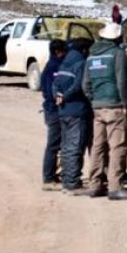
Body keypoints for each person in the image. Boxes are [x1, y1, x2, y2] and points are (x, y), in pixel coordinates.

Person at [83, 23, 127, 200]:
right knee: (118, 146)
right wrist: (124, 103)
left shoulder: (91, 56)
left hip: (97, 107)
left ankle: (94, 184)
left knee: (98, 146)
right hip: (115, 106)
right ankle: (115, 186)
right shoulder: (117, 54)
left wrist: (94, 100)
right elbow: (122, 80)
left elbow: (86, 84)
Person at [53, 38, 93, 194]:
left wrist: (58, 96)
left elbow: (55, 84)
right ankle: (73, 183)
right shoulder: (82, 63)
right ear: (84, 50)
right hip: (78, 111)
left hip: (63, 111)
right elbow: (79, 86)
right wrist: (66, 96)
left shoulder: (64, 63)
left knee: (66, 147)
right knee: (76, 147)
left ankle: (66, 180)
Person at [40, 39, 68, 191]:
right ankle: (49, 178)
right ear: (58, 52)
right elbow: (51, 92)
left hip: (53, 110)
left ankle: (53, 175)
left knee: (57, 144)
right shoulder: (53, 68)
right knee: (53, 145)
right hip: (54, 110)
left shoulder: (53, 66)